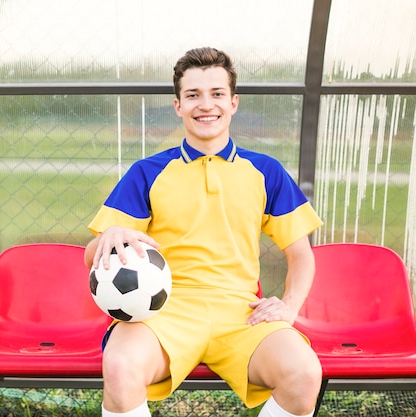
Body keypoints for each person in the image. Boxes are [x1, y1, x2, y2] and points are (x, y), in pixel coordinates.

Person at [84, 47, 324, 417]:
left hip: (242, 313)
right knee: (119, 368)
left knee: (305, 374)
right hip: (162, 312)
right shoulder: (148, 172)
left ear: (233, 102)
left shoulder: (266, 171)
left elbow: (301, 254)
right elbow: (92, 256)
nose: (205, 104)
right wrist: (108, 236)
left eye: (216, 94)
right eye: (193, 95)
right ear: (178, 105)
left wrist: (289, 307)